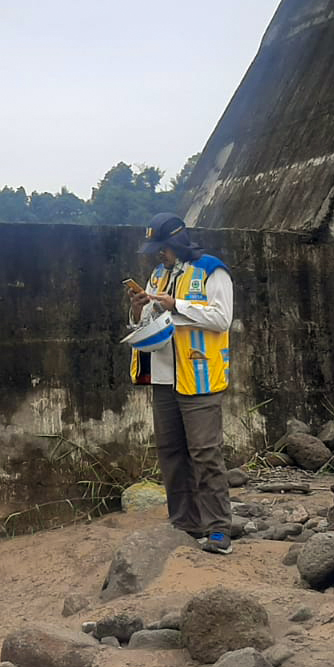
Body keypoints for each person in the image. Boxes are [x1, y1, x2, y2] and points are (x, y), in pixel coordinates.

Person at [126, 213, 235, 553]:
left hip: (200, 376)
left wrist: (178, 305)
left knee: (205, 453)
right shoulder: (158, 274)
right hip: (163, 376)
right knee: (171, 453)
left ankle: (219, 529)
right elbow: (149, 320)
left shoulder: (211, 270)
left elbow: (221, 318)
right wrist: (138, 309)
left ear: (176, 243)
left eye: (162, 248)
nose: (158, 255)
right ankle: (184, 523)